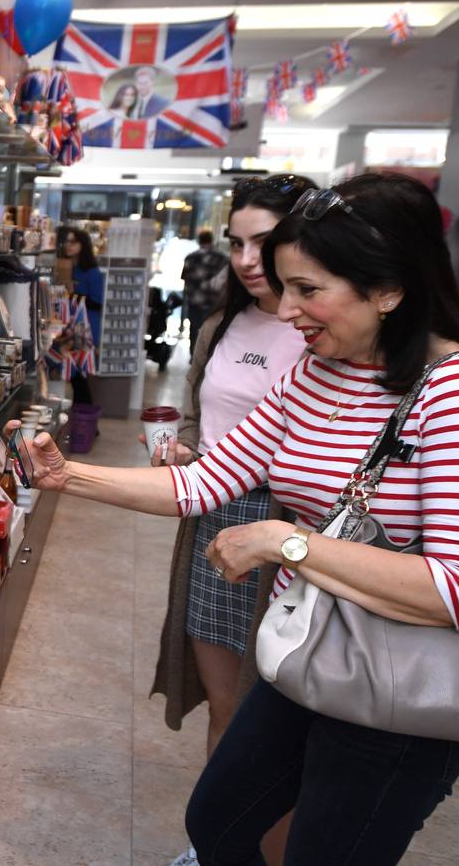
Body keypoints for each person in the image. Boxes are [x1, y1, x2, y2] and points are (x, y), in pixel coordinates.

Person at [13, 173, 459, 864]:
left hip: (395, 693)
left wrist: (286, 541)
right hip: (301, 658)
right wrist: (66, 475)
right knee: (217, 819)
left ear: (390, 289)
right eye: (286, 287)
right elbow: (203, 482)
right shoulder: (316, 369)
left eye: (310, 291)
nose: (287, 313)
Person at [150, 175, 315, 866]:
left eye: (265, 242)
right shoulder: (223, 323)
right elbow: (201, 413)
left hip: (292, 529)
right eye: (238, 242)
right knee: (225, 703)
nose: (249, 259)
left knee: (279, 717)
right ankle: (219, 846)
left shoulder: (325, 329)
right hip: (215, 515)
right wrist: (183, 445)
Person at [59, 227, 103, 404]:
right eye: (67, 242)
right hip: (70, 327)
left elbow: (97, 302)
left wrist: (72, 294)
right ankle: (83, 421)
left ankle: (86, 421)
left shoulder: (92, 272)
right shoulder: (69, 268)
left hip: (85, 328)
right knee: (75, 376)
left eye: (73, 242)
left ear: (83, 245)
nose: (69, 246)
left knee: (79, 375)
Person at [180, 229, 230, 355]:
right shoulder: (222, 258)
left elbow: (185, 279)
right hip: (215, 302)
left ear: (199, 241)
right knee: (212, 331)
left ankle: (194, 356)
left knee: (194, 329)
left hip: (195, 301)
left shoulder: (190, 258)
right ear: (212, 240)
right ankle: (210, 356)